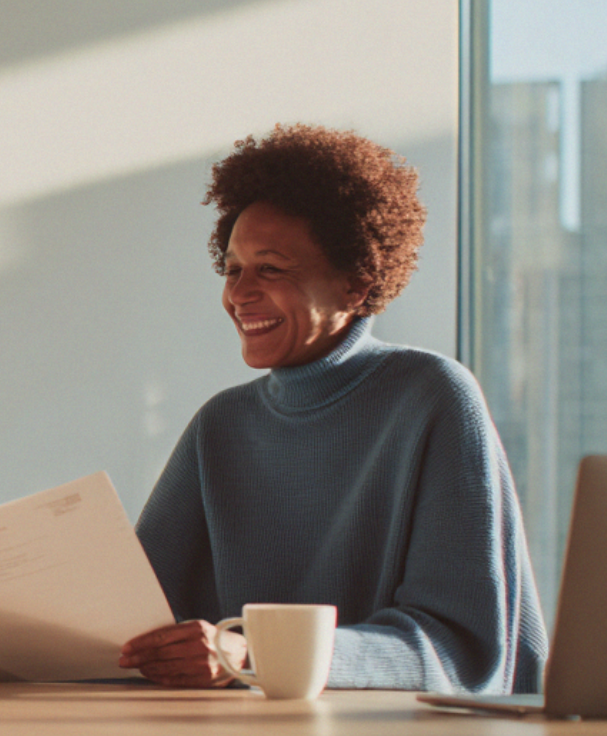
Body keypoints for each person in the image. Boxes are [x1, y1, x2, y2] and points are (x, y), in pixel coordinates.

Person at [119, 124, 545, 694]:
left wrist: (252, 655)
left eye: (270, 268)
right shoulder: (219, 426)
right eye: (231, 268)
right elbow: (127, 621)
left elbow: (461, 650)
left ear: (355, 284)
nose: (239, 293)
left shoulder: (433, 397)